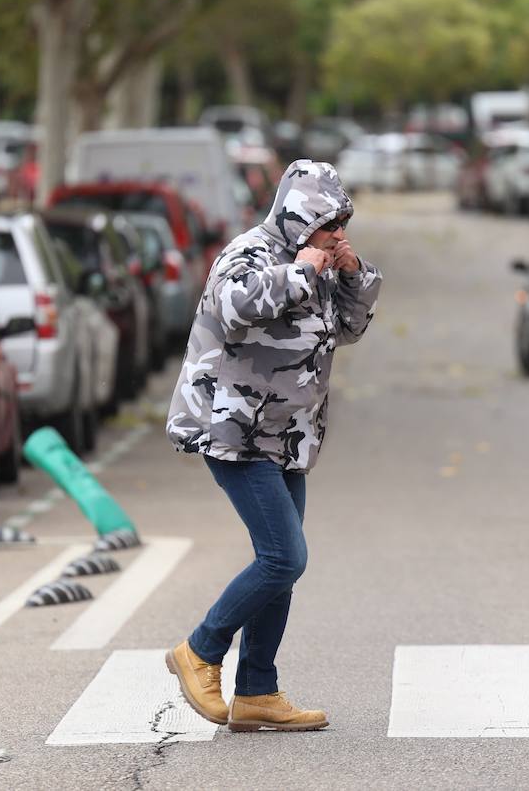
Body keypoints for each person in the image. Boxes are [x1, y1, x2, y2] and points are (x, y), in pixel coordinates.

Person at [164, 159, 382, 733]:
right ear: (299, 217)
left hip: (287, 436)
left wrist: (352, 271)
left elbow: (353, 327)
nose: (338, 232)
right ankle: (199, 650)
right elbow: (235, 308)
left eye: (343, 222)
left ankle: (258, 689)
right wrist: (303, 270)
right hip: (234, 432)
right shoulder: (250, 253)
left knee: (281, 566)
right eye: (329, 223)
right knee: (284, 557)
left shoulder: (325, 264)